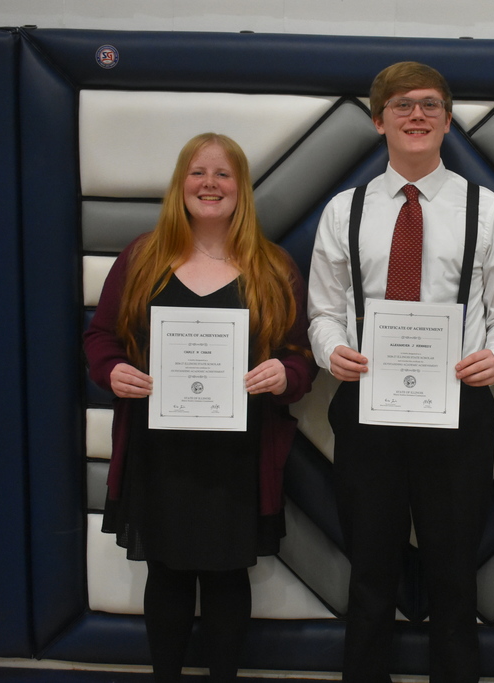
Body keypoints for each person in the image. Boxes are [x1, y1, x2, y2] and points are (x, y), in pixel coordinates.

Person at [306, 61, 494, 683]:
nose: (417, 115)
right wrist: (330, 353)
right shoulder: (343, 211)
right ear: (379, 121)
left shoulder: (488, 210)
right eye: (402, 105)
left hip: (458, 411)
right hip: (365, 411)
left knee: (456, 580)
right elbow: (323, 311)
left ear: (448, 121)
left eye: (430, 105)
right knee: (371, 577)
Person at [83, 133, 316, 683]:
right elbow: (101, 337)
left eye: (223, 174)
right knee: (164, 573)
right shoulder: (142, 258)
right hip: (157, 446)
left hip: (239, 452)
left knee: (227, 576)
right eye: (197, 172)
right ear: (179, 185)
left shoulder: (273, 267)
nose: (209, 184)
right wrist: (111, 371)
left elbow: (301, 358)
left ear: (241, 189)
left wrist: (285, 374)